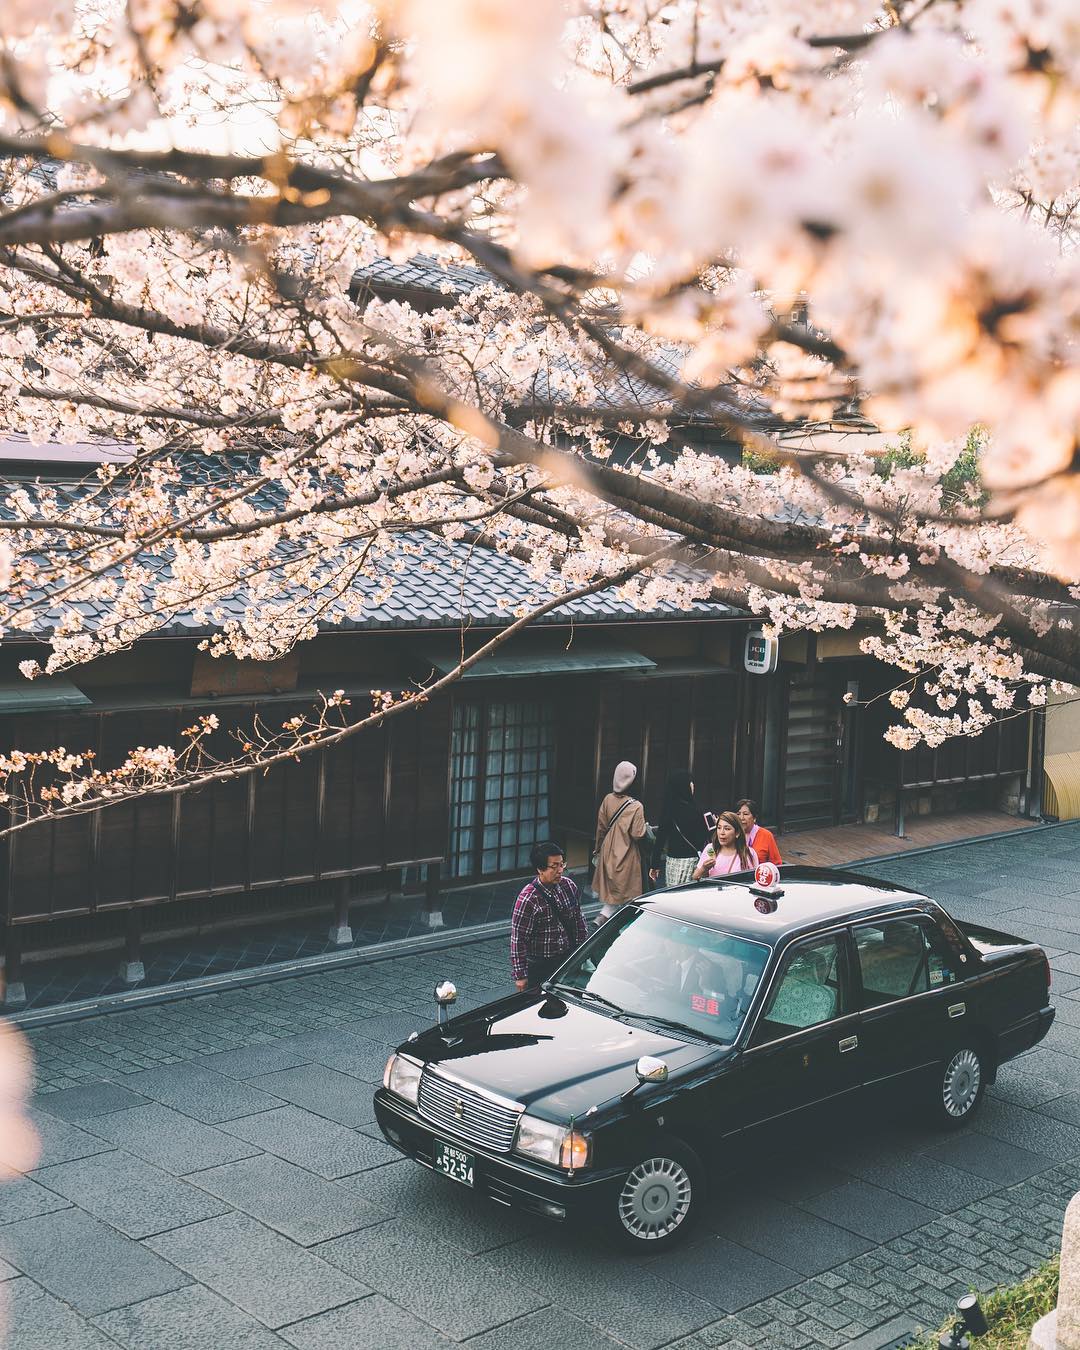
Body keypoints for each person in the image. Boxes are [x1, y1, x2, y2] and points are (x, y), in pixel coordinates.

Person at [510, 842, 588, 991]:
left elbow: (578, 920)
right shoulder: (528, 899)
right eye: (554, 866)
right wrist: (520, 976)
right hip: (540, 964)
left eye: (561, 864)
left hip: (567, 959)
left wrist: (583, 953)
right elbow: (518, 939)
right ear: (540, 869)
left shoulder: (569, 886)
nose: (560, 870)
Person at [593, 761, 647, 922]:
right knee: (630, 894)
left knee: (612, 897)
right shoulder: (636, 806)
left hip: (608, 850)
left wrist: (597, 849)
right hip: (627, 853)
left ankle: (601, 920)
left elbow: (601, 828)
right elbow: (638, 834)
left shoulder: (608, 799)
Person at [649, 770, 705, 888]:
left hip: (672, 863)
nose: (692, 785)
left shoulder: (668, 809)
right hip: (691, 862)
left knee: (673, 893)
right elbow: (702, 840)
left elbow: (660, 839)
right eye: (690, 782)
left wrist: (654, 865)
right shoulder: (695, 810)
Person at [692, 810, 757, 880]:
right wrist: (704, 868)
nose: (722, 832)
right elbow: (695, 877)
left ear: (737, 833)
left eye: (727, 829)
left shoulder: (749, 853)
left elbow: (753, 880)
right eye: (719, 828)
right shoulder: (710, 849)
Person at [735, 798, 782, 866]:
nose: (741, 818)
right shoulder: (732, 833)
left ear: (754, 818)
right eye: (738, 814)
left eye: (746, 814)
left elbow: (776, 864)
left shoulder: (766, 835)